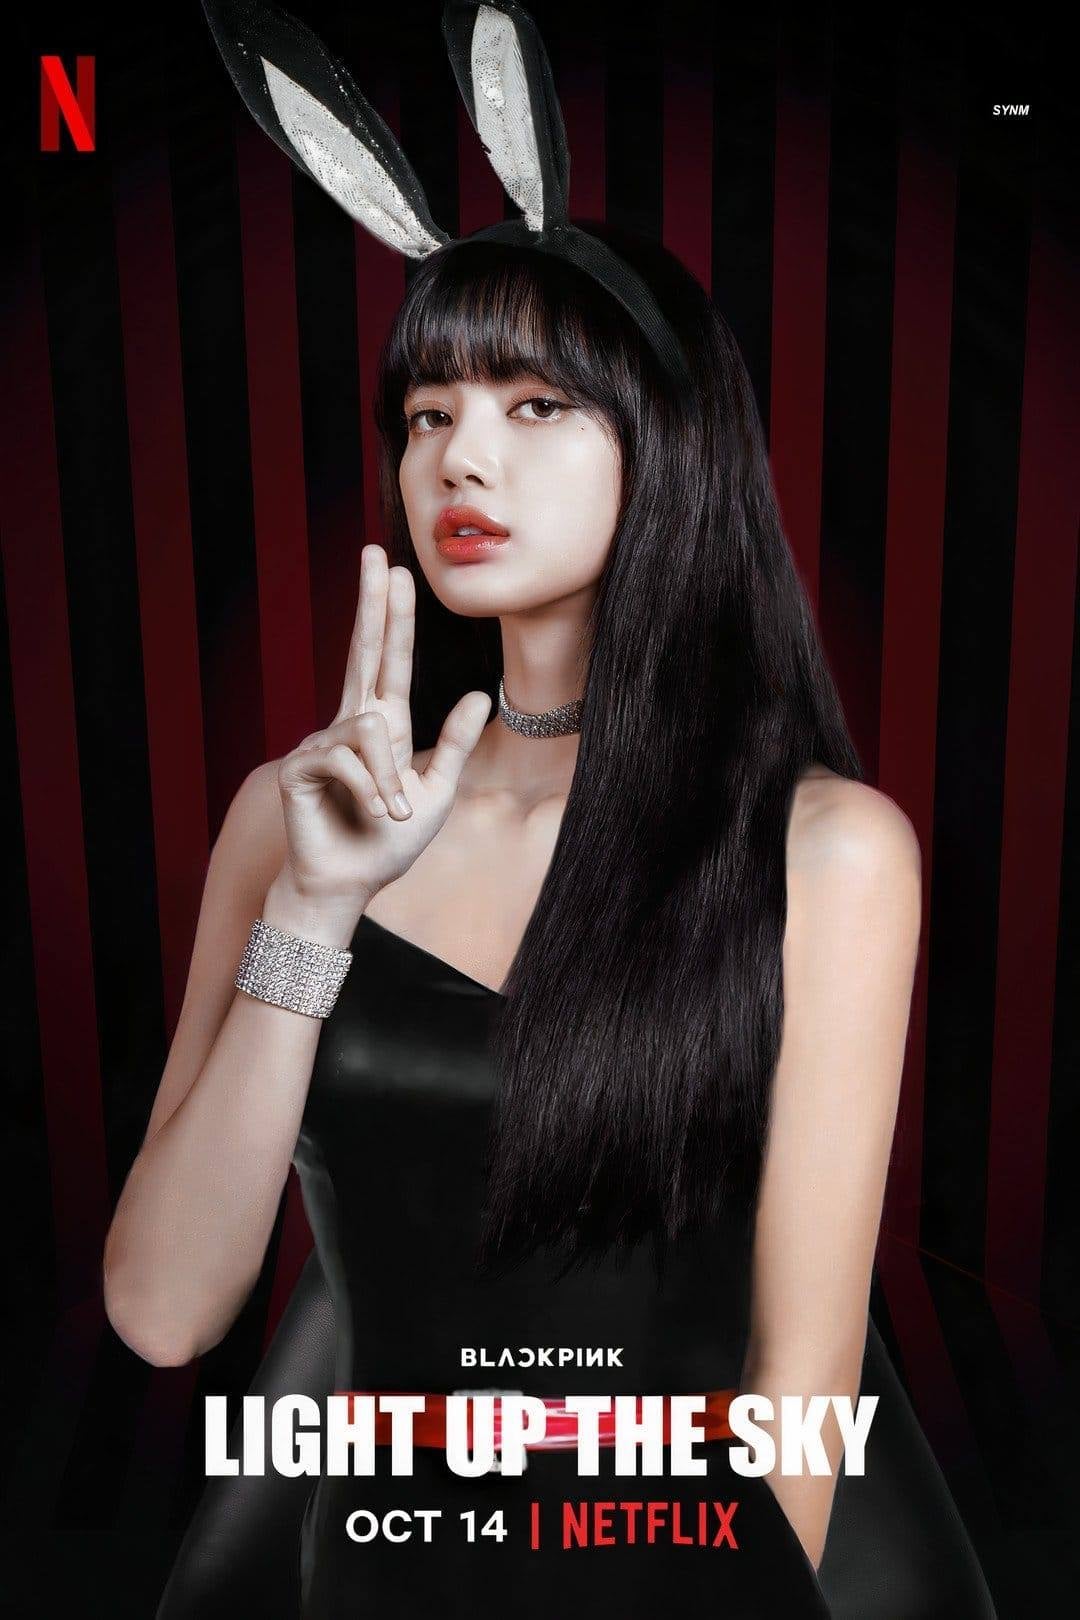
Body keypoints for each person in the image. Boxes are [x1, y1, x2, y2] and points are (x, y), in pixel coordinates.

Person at [105, 3, 998, 1615]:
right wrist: (313, 910)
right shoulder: (292, 818)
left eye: (534, 405)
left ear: (669, 441)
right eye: (427, 414)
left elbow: (805, 1375)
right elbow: (167, 1314)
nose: (460, 459)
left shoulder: (828, 851)